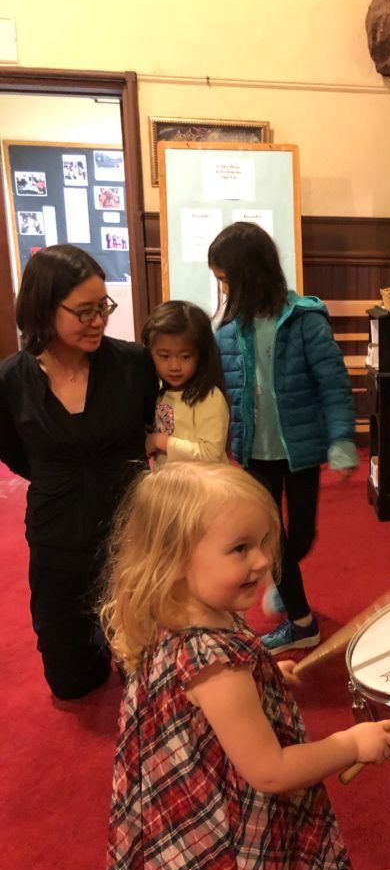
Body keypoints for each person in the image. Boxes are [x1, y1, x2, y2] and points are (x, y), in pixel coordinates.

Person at [101, 462, 390, 870]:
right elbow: (271, 771)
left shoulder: (179, 616)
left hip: (177, 821)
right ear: (172, 559)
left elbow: (198, 704)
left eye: (264, 542)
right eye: (240, 549)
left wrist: (265, 674)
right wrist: (351, 743)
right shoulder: (213, 659)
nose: (263, 560)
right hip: (218, 828)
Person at [0, 244, 157, 699]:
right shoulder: (12, 379)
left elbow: (155, 428)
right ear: (44, 310)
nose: (98, 320)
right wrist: (61, 477)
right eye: (83, 311)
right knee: (70, 681)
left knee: (146, 671)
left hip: (131, 524)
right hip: (57, 528)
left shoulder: (133, 364)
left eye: (102, 307)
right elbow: (14, 452)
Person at [210, 222, 358, 655]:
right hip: (254, 453)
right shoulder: (227, 328)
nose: (221, 288)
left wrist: (342, 439)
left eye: (225, 278)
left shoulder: (304, 321)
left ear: (249, 274)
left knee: (301, 537)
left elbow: (333, 384)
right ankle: (301, 621)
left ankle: (283, 575)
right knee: (269, 539)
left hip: (300, 451)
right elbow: (221, 390)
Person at [142, 300, 229, 469]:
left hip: (201, 488)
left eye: (185, 356)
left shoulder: (208, 396)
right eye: (164, 356)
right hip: (170, 485)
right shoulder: (159, 393)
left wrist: (160, 441)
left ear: (201, 355)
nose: (175, 366)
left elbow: (210, 453)